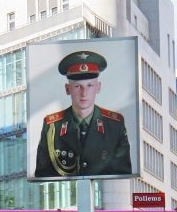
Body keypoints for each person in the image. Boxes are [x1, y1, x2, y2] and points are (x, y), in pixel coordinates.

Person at [34, 50, 132, 178]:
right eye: (77, 86)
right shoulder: (52, 126)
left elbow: (123, 174)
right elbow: (42, 174)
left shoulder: (114, 124)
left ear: (98, 87)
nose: (84, 93)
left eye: (90, 85)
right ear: (67, 89)